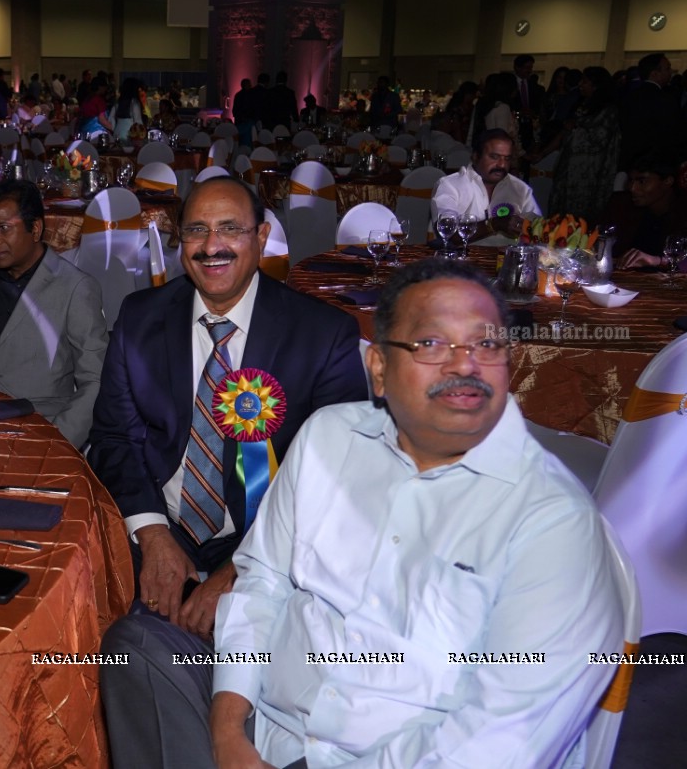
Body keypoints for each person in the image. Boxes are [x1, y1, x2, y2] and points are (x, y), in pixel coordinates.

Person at [198, 258, 624, 769]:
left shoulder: (553, 521)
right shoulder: (328, 439)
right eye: (431, 344)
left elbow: (499, 740)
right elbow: (262, 581)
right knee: (134, 654)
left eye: (486, 344)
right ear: (378, 368)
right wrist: (226, 731)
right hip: (267, 730)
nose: (464, 365)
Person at [91, 177, 366, 632]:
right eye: (197, 230)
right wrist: (154, 533)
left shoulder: (323, 335)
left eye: (229, 229)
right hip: (159, 521)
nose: (210, 246)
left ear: (260, 238)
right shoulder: (141, 317)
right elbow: (114, 437)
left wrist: (244, 568)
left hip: (271, 538)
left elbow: (336, 477)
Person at [0, 181, 108, 448]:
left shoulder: (75, 288)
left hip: (39, 431)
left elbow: (94, 381)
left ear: (35, 229)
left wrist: (57, 442)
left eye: (4, 228)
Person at [605, 152, 687, 272]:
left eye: (642, 181)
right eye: (631, 180)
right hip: (622, 282)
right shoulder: (621, 203)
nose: (632, 188)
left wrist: (659, 261)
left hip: (672, 284)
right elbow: (597, 242)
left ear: (668, 181)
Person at [548, 66, 621, 220]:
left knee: (581, 218)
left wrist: (576, 129)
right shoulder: (582, 105)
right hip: (569, 169)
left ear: (596, 85)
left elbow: (601, 139)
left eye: (585, 81)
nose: (580, 84)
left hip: (590, 174)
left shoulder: (608, 111)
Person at [431, 128, 540, 224]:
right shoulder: (450, 185)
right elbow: (447, 229)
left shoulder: (520, 189)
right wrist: (493, 225)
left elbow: (537, 228)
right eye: (494, 157)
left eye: (507, 159)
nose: (502, 165)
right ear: (475, 156)